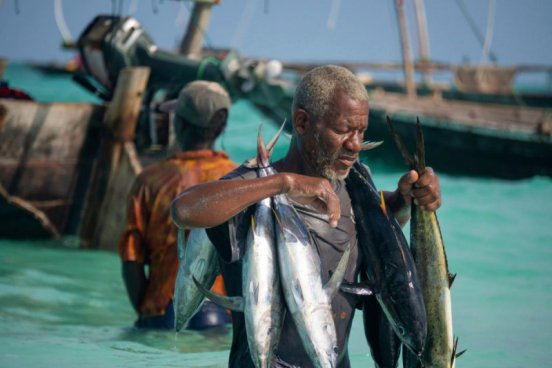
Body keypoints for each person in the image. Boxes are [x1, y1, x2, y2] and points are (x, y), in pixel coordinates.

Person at [170, 65, 442, 366]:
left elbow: (379, 242)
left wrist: (408, 199)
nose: (355, 144)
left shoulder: (355, 185)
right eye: (342, 130)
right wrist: (284, 184)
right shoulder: (254, 187)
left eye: (361, 131)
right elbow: (184, 210)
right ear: (302, 122)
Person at [118, 80, 238, 329]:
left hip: (162, 310)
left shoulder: (149, 181)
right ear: (222, 127)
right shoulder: (239, 180)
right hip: (218, 313)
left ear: (178, 124)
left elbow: (132, 258)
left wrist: (146, 313)